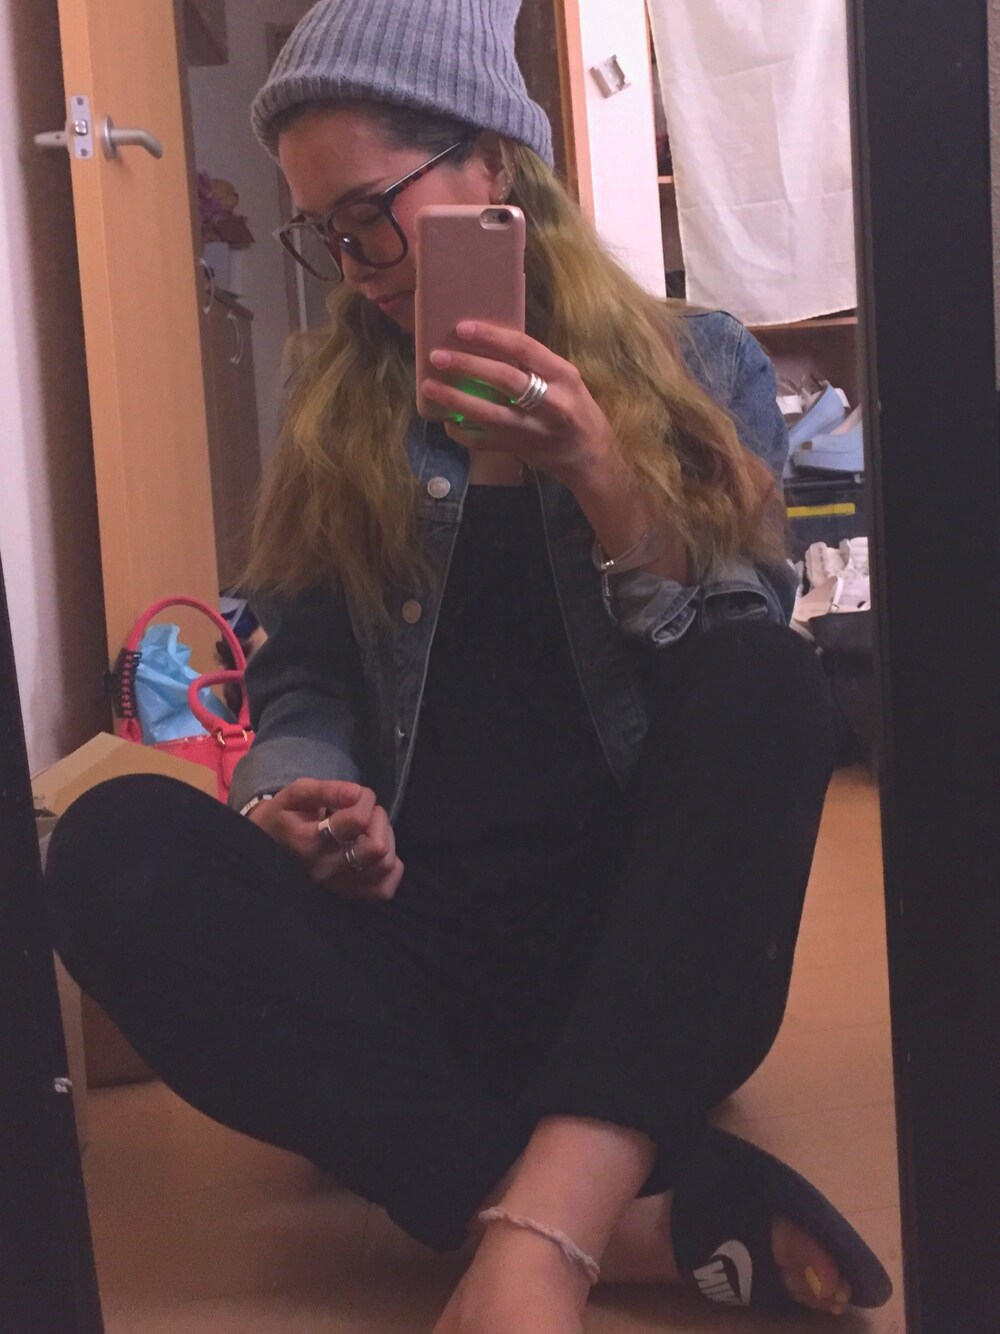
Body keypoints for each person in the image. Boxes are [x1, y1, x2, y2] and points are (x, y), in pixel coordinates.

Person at [44, 1, 891, 1330]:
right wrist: (296, 792)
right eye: (324, 234)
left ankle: (536, 1221)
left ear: (494, 162)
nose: (357, 267)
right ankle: (608, 1222)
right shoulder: (338, 404)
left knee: (772, 679)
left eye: (371, 216)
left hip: (648, 959)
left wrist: (600, 470)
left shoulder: (698, 363)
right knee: (107, 845)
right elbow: (303, 668)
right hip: (417, 956)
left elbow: (728, 655)